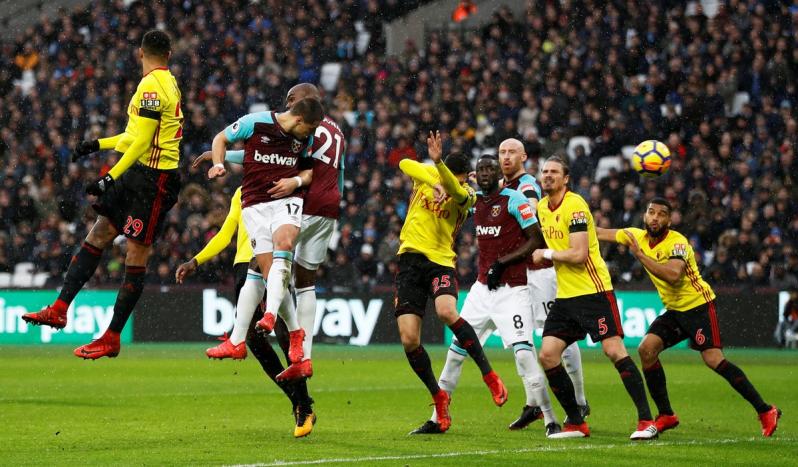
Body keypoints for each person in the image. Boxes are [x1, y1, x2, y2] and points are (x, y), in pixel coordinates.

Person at [22, 30, 183, 359]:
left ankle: (111, 336)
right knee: (99, 232)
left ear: (140, 52)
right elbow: (134, 136)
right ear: (168, 54)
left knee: (135, 255)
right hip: (139, 172)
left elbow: (141, 141)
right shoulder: (165, 82)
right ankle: (60, 307)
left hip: (154, 180)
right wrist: (98, 145)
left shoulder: (152, 86)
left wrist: (109, 177)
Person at [192, 83, 344, 382]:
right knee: (276, 274)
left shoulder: (306, 133)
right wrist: (219, 160)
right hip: (271, 205)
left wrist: (296, 183)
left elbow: (309, 169)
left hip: (292, 202)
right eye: (310, 129)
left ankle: (274, 320)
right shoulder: (259, 123)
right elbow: (233, 144)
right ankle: (255, 338)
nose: (311, 136)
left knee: (282, 260)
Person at [597, 198, 781, 437]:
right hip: (674, 311)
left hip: (699, 307)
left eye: (661, 214)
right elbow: (598, 232)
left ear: (669, 220)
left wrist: (641, 256)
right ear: (644, 216)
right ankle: (666, 415)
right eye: (651, 212)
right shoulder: (635, 236)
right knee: (646, 350)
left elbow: (673, 275)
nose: (655, 217)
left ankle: (765, 410)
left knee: (713, 359)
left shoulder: (678, 243)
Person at [412, 155, 559, 436]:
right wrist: (439, 188)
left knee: (525, 357)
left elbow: (536, 239)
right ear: (474, 175)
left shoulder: (513, 199)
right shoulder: (474, 200)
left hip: (513, 290)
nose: (486, 173)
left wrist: (502, 263)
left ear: (498, 174)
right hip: (481, 291)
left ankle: (551, 419)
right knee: (455, 353)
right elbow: (453, 200)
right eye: (481, 169)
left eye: (491, 168)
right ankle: (437, 417)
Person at [174, 185, 316, 437]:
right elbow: (225, 234)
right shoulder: (241, 192)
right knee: (253, 340)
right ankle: (298, 401)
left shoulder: (280, 187)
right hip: (244, 270)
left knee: (285, 334)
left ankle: (303, 406)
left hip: (273, 262)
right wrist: (196, 260)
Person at [532, 156, 657, 440]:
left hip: (594, 292)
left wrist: (547, 254)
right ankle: (576, 423)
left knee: (614, 351)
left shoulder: (575, 205)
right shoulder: (542, 206)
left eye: (554, 172)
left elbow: (578, 255)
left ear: (566, 179)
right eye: (545, 172)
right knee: (548, 355)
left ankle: (646, 421)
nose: (548, 176)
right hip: (566, 296)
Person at [396, 131, 506, 434]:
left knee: (446, 311)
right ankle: (438, 396)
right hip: (409, 260)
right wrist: (435, 179)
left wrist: (445, 177)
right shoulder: (431, 175)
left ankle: (489, 375)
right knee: (409, 339)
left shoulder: (467, 194)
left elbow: (457, 194)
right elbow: (405, 163)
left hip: (440, 261)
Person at [498, 138, 589, 429]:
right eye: (502, 152)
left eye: (512, 152)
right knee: (521, 338)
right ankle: (532, 404)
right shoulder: (505, 185)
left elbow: (530, 208)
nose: (506, 157)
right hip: (518, 273)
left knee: (558, 336)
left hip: (542, 272)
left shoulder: (526, 185)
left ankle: (580, 400)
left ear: (523, 157)